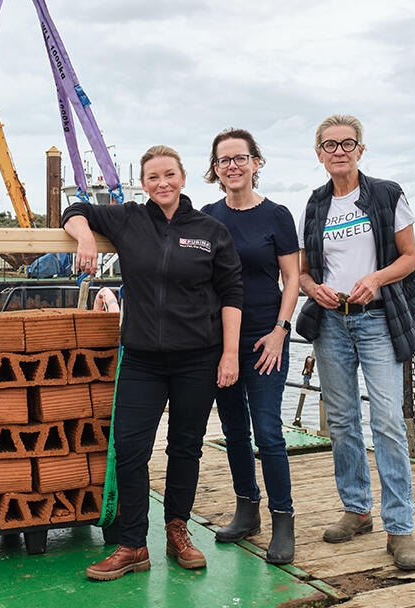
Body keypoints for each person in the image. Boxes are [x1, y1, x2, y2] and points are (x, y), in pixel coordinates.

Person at [62, 145, 243, 581]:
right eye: (152, 177)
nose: (162, 183)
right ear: (142, 184)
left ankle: (178, 530)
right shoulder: (128, 219)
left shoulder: (210, 230)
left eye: (169, 174)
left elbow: (232, 294)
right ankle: (133, 544)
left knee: (185, 446)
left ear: (183, 178)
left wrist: (230, 354)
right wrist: (86, 236)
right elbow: (75, 208)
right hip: (142, 358)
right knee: (129, 449)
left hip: (198, 358)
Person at [294, 114, 415, 571]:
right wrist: (314, 290)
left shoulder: (387, 194)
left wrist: (375, 278)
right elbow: (305, 273)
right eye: (329, 145)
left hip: (376, 320)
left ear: (361, 150)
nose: (339, 151)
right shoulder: (314, 205)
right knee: (344, 421)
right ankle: (356, 509)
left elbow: (410, 257)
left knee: (387, 419)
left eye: (347, 143)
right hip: (332, 323)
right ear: (319, 154)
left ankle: (400, 529)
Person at [200, 129, 300, 564]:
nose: (233, 166)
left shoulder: (277, 215)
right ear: (215, 169)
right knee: (235, 430)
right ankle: (247, 510)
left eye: (241, 158)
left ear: (256, 163)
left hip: (265, 338)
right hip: (222, 340)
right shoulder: (207, 217)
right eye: (224, 160)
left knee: (268, 431)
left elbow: (292, 279)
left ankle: (283, 519)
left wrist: (281, 329)